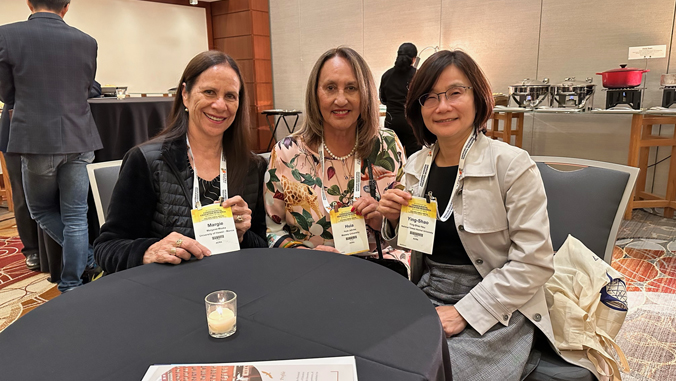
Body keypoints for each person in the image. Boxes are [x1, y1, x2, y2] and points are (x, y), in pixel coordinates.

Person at [378, 50, 555, 380]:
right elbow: (418, 239)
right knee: (373, 352)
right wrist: (393, 218)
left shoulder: (513, 165)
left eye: (455, 93)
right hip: (427, 292)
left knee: (428, 370)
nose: (442, 106)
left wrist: (465, 312)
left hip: (498, 304)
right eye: (429, 98)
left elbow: (535, 262)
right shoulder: (417, 164)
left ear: (478, 98)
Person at [94, 51, 267, 274]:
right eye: (209, 92)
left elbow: (262, 247)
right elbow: (107, 247)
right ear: (185, 94)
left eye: (230, 96)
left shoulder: (253, 167)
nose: (220, 105)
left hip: (229, 288)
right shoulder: (147, 161)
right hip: (166, 291)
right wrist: (150, 251)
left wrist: (242, 235)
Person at [0, 0, 101, 293]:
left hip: (37, 140)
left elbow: (7, 93)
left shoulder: (6, 35)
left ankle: (87, 262)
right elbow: (87, 86)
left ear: (29, 3)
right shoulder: (87, 41)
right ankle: (72, 282)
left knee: (42, 211)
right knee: (75, 216)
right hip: (81, 138)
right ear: (67, 6)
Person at [265, 47, 405, 251]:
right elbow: (273, 232)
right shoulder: (286, 153)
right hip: (311, 274)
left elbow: (411, 234)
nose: (341, 100)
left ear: (365, 93)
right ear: (315, 94)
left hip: (379, 271)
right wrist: (306, 255)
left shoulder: (388, 147)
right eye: (330, 88)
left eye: (351, 88)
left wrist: (385, 221)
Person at [380, 43, 421, 157]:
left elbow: (383, 99)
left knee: (393, 159)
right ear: (413, 59)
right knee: (414, 159)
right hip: (411, 123)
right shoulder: (418, 76)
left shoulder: (386, 75)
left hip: (391, 122)